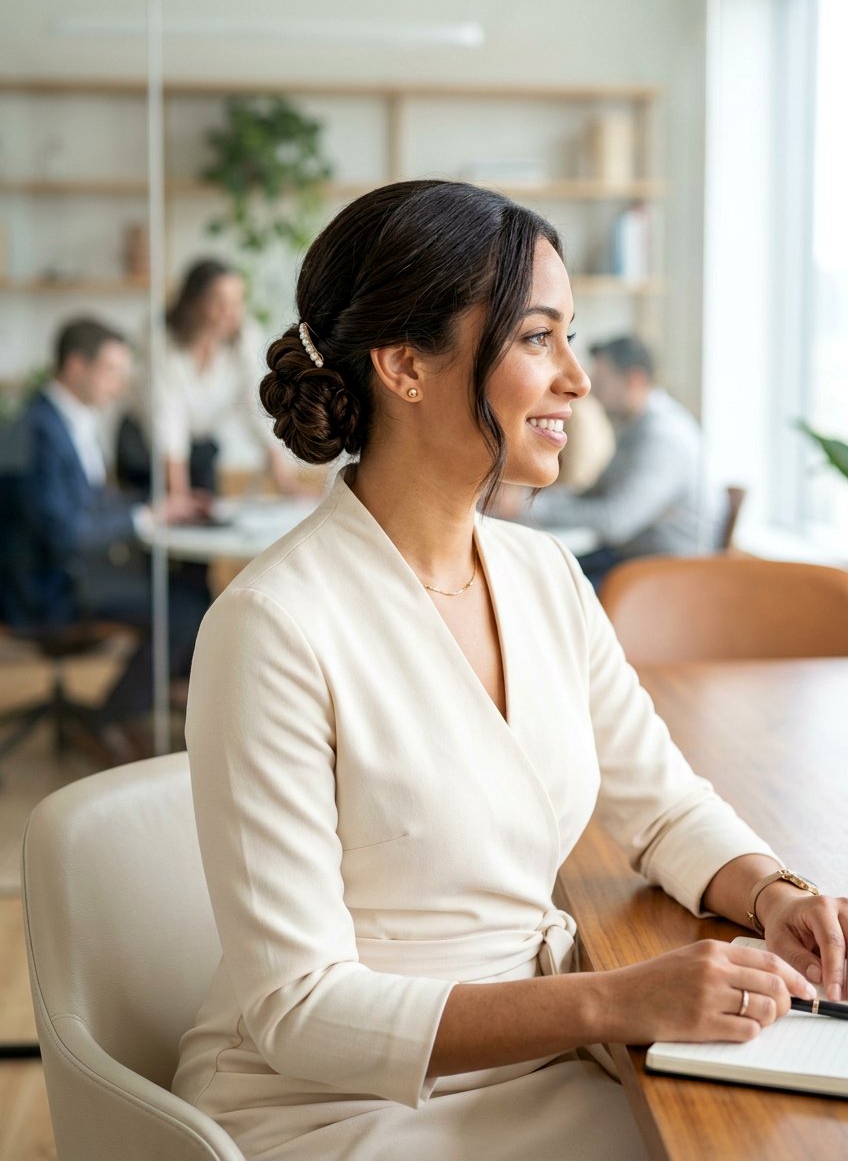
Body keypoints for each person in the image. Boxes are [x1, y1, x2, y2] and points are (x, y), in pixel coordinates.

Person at [172, 181, 847, 1161]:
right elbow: (300, 1010)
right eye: (538, 337)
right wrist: (614, 1000)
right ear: (404, 364)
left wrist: (778, 897)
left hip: (543, 1063)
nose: (575, 378)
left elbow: (663, 807)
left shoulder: (543, 576)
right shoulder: (272, 627)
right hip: (337, 1108)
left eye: (571, 337)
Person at [9, 316, 208, 755]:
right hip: (46, 588)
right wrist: (146, 517)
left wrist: (155, 507)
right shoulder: (37, 429)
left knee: (193, 589)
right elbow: (63, 533)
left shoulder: (68, 420)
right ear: (76, 366)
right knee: (181, 612)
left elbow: (91, 502)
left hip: (73, 570)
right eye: (112, 371)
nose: (120, 386)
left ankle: (159, 701)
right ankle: (107, 722)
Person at [520, 335, 718, 589]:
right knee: (542, 571)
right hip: (630, 559)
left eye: (601, 380)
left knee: (545, 586)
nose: (590, 389)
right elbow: (594, 494)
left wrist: (528, 509)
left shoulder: (663, 436)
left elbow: (615, 521)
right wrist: (528, 500)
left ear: (634, 379)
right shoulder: (637, 426)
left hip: (666, 577)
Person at [117, 257, 304, 499]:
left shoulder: (245, 336)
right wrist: (179, 495)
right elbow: (168, 417)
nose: (231, 313)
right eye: (220, 303)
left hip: (199, 447)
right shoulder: (160, 338)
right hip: (145, 449)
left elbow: (255, 402)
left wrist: (284, 479)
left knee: (207, 511)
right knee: (157, 514)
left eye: (237, 302)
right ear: (193, 303)